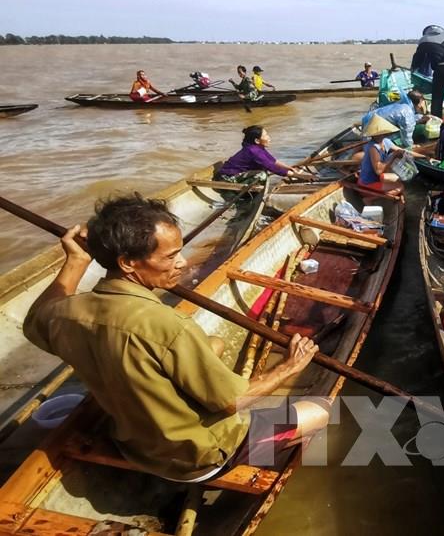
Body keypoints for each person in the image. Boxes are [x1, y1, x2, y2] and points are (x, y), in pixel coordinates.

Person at [24, 195, 330, 482]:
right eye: (170, 256)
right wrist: (289, 366)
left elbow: (36, 318)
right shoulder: (169, 326)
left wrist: (76, 261)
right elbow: (233, 403)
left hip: (132, 445)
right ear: (128, 263)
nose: (182, 263)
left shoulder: (66, 313)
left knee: (215, 343)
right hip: (199, 458)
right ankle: (273, 460)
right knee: (323, 409)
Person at [215, 125, 313, 183]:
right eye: (266, 136)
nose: (269, 138)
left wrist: (288, 168)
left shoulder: (256, 148)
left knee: (263, 170)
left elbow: (272, 160)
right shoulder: (254, 151)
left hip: (233, 173)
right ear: (257, 140)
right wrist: (300, 176)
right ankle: (242, 193)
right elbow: (272, 167)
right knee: (262, 175)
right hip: (228, 177)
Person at [358, 114, 408, 196]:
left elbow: (403, 151)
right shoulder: (373, 148)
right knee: (400, 187)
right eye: (379, 134)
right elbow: (378, 171)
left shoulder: (385, 141)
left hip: (376, 178)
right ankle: (371, 199)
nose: (382, 135)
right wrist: (393, 156)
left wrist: (422, 156)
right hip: (368, 181)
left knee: (400, 179)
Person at [362, 90, 429, 149]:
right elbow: (406, 135)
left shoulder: (402, 102)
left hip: (368, 118)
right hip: (373, 129)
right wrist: (411, 146)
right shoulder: (407, 111)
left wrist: (421, 118)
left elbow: (385, 95)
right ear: (420, 102)